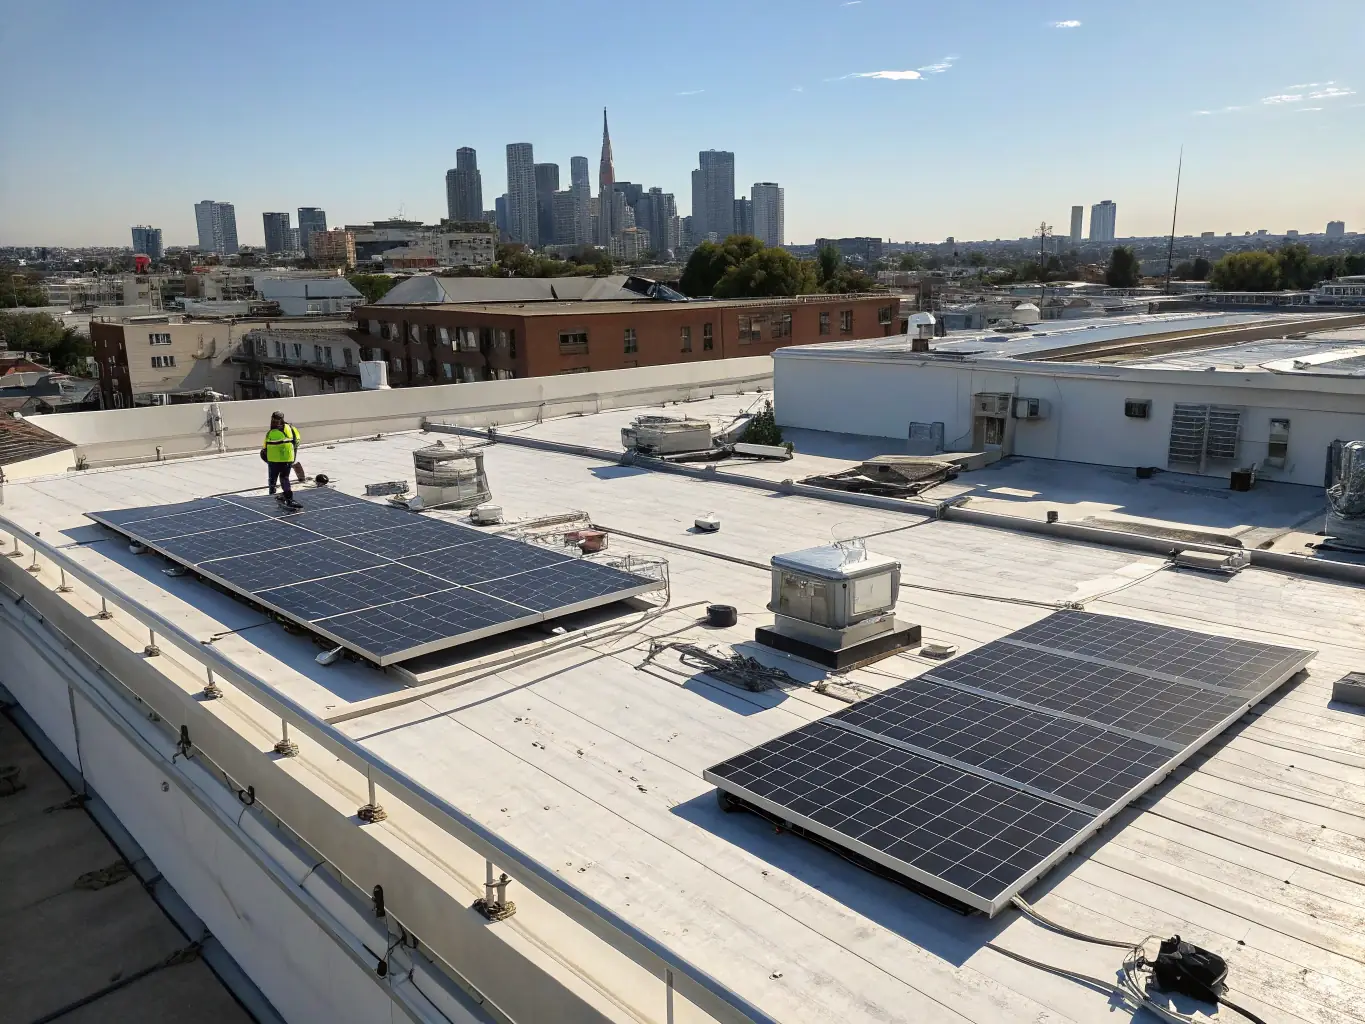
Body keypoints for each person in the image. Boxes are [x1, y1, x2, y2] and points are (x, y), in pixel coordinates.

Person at [262, 411, 303, 509]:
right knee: (284, 478)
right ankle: (288, 499)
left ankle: (273, 495)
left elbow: (265, 446)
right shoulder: (291, 429)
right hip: (286, 458)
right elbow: (297, 441)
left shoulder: (270, 432)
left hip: (274, 459)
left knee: (273, 479)